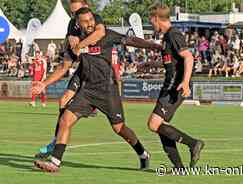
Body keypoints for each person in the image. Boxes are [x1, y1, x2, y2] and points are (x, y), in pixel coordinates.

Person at [32, 7, 162, 173]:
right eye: (85, 22)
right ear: (77, 24)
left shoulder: (106, 34)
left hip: (108, 89)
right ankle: (55, 163)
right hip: (87, 90)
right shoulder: (75, 42)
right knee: (65, 120)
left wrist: (155, 46)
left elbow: (131, 40)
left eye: (91, 20)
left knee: (120, 129)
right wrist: (44, 83)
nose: (90, 24)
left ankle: (143, 154)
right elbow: (64, 67)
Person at [35, 0, 106, 158]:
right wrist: (73, 42)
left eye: (78, 11)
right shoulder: (72, 23)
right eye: (73, 13)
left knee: (118, 127)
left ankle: (141, 152)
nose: (75, 15)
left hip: (100, 71)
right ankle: (55, 142)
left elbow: (99, 33)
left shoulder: (97, 18)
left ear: (87, 7)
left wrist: (80, 45)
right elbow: (72, 42)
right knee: (63, 101)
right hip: (83, 68)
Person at [147, 3, 204, 169]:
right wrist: (151, 63)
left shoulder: (173, 34)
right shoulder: (166, 37)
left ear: (156, 18)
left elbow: (188, 57)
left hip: (175, 87)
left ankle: (193, 143)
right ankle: (178, 168)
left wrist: (185, 82)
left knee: (153, 124)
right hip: (169, 86)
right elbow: (172, 62)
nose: (150, 23)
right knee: (160, 126)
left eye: (151, 20)